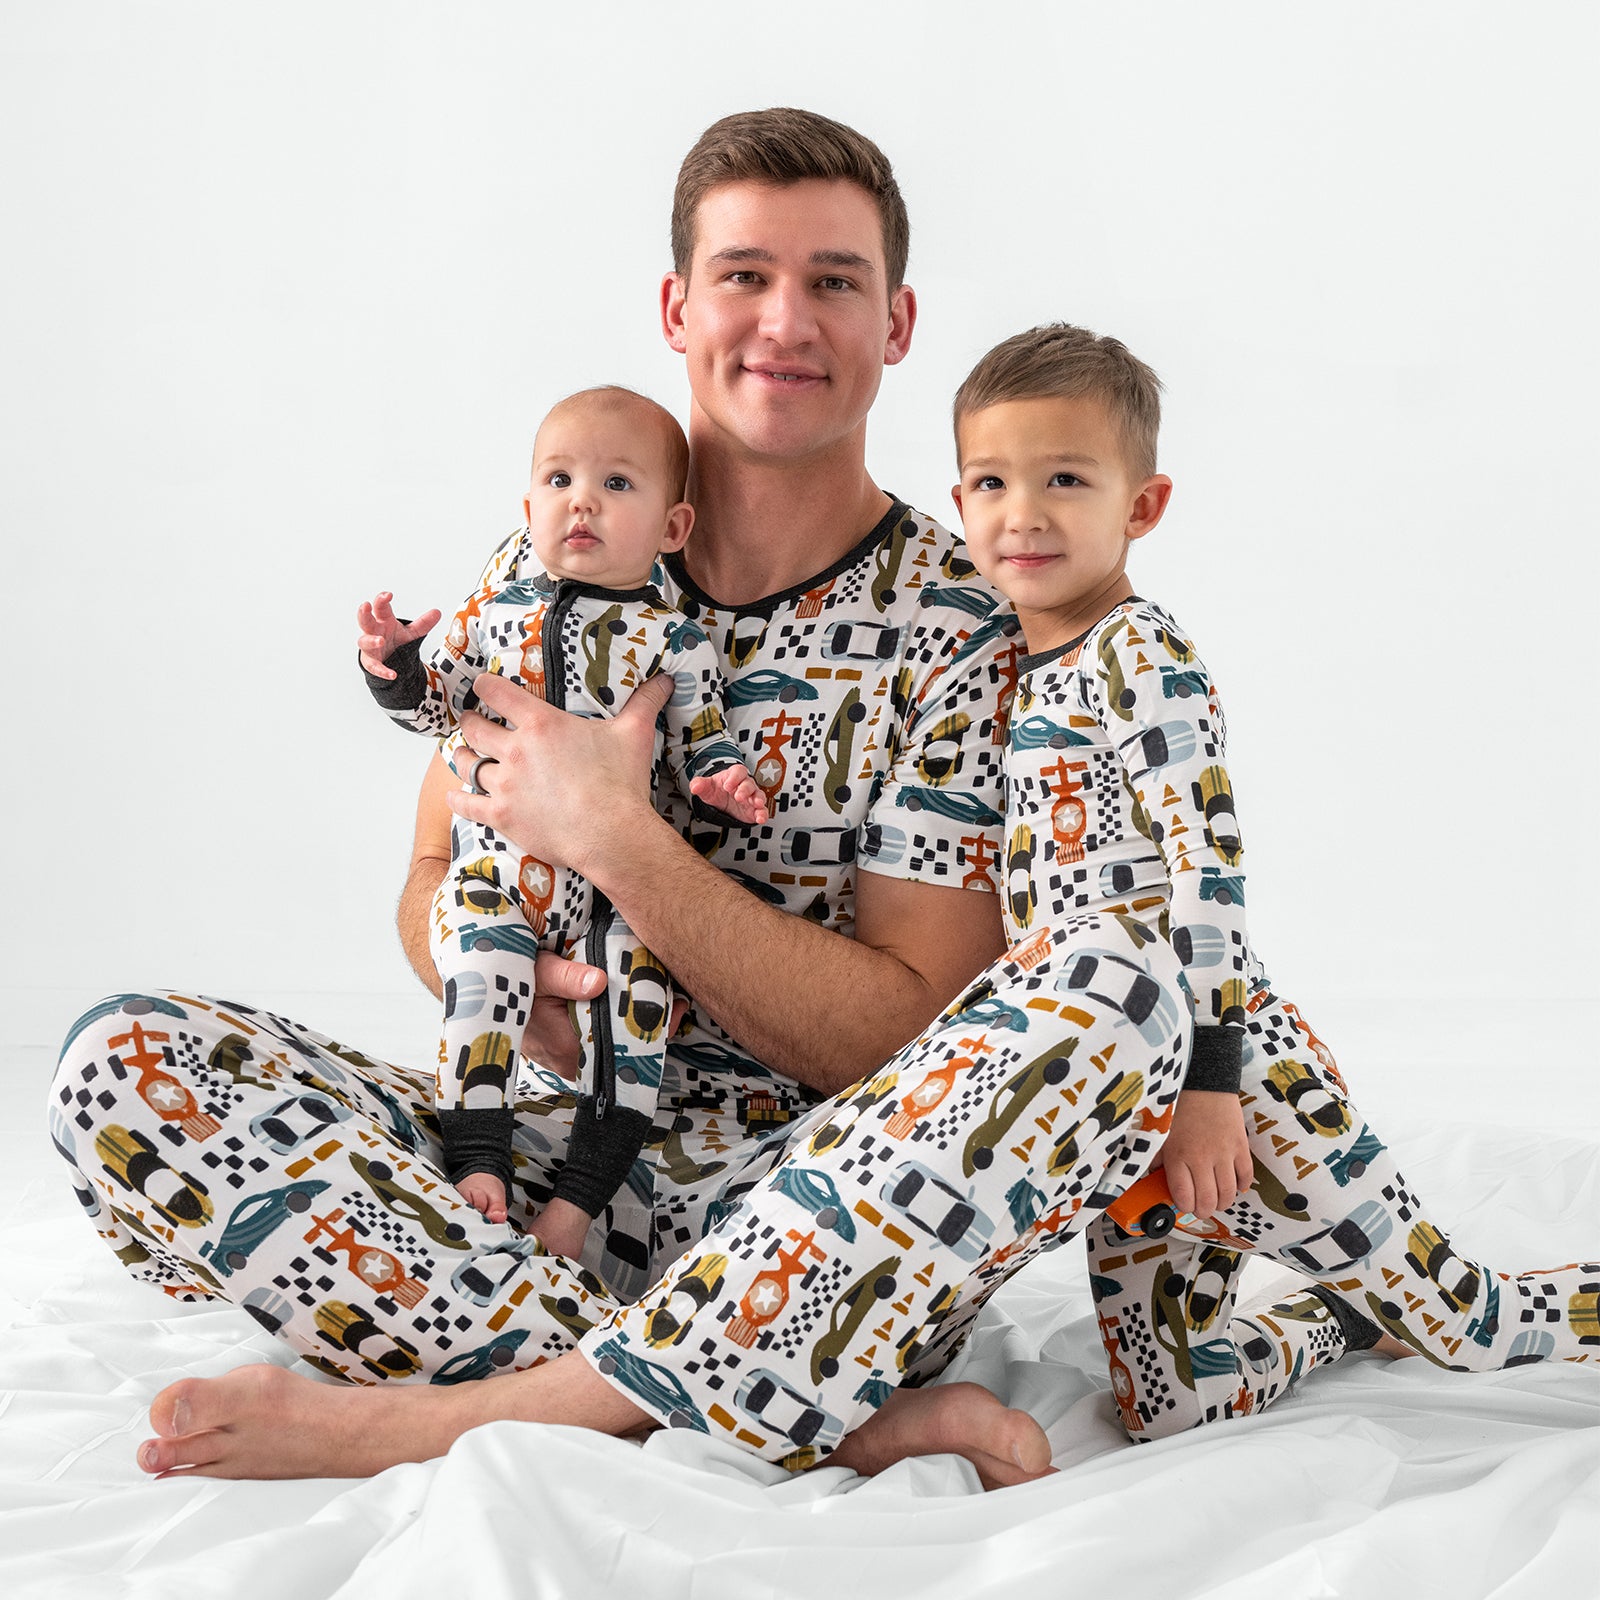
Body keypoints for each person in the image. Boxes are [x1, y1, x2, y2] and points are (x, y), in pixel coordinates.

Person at [56, 107, 1065, 1487]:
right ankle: (775, 1410)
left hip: (807, 1215)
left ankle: (455, 1406)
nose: (784, 320)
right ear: (676, 304)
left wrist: (616, 839)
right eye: (742, 275)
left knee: (1033, 1063)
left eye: (832, 280)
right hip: (550, 1168)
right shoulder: (558, 551)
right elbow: (429, 876)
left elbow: (910, 1043)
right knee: (121, 1062)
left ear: (895, 321)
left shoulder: (961, 626)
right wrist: (505, 981)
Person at [945, 321, 1598, 1440]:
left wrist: (1210, 1087)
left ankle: (1419, 1298)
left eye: (1065, 478)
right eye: (992, 481)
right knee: (1168, 1405)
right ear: (959, 504)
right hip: (1114, 1094)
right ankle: (1341, 1319)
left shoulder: (1138, 654)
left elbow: (1209, 870)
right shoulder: (1012, 669)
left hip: (1235, 1085)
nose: (1024, 512)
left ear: (1140, 507)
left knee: (1474, 1324)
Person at [357, 385, 768, 1259]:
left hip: (619, 892)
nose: (581, 499)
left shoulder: (674, 641)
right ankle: (480, 1156)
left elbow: (701, 740)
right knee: (476, 954)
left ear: (672, 529)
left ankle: (579, 1202)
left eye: (617, 484)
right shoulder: (490, 616)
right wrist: (397, 671)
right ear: (529, 507)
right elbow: (439, 714)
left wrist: (725, 781)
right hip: (498, 873)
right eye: (559, 478)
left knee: (638, 1001)